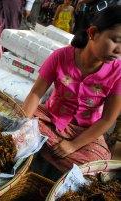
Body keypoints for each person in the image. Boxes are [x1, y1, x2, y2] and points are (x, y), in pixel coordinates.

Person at [22, 5, 121, 172]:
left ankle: (43, 149)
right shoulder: (60, 57)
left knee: (96, 167)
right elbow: (35, 93)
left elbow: (107, 120)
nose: (118, 50)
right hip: (51, 119)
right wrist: (22, 125)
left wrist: (73, 145)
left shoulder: (118, 72)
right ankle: (47, 151)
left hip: (85, 131)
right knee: (21, 132)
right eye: (115, 40)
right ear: (93, 33)